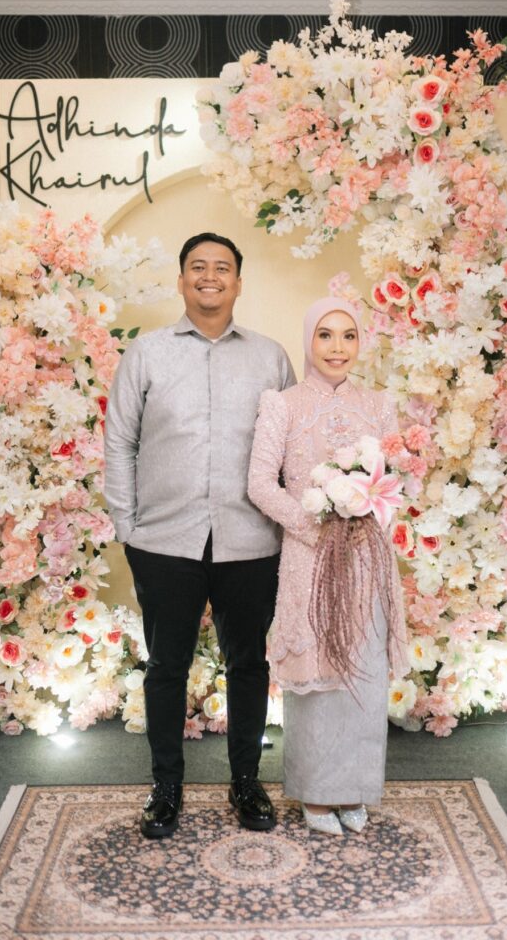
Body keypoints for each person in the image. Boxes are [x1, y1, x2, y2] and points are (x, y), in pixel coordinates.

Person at [104, 232, 296, 838]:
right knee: (166, 665)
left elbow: (291, 449)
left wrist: (289, 524)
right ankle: (166, 788)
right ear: (182, 279)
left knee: (249, 663)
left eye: (222, 267)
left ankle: (246, 782)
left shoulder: (270, 358)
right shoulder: (146, 354)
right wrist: (128, 526)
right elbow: (120, 440)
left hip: (251, 539)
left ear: (238, 282)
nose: (209, 276)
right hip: (164, 541)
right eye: (197, 266)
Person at [247, 297, 410, 835]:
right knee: (318, 675)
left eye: (348, 335)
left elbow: (397, 480)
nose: (337, 347)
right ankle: (317, 794)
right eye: (325, 335)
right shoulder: (284, 405)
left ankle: (354, 788)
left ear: (360, 342)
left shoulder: (380, 405)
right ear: (308, 341)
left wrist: (367, 510)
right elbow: (259, 484)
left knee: (362, 670)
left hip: (366, 556)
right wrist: (315, 524)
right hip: (310, 556)